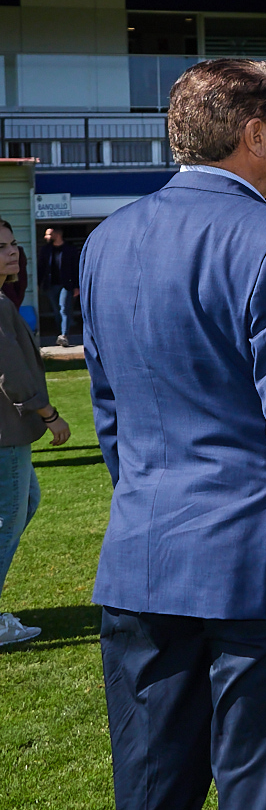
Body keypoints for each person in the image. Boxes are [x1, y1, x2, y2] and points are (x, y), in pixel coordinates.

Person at [83, 58, 266, 810]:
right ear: (253, 134)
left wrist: (150, 505)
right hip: (265, 569)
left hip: (145, 555)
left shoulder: (106, 242)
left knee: (150, 793)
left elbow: (110, 411)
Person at [0, 217, 70, 648]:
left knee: (27, 500)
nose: (12, 252)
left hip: (9, 432)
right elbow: (11, 372)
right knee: (7, 521)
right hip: (7, 432)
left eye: (11, 244)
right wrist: (48, 413)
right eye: (1, 246)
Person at [36, 226, 78, 347]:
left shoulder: (69, 249)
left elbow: (75, 268)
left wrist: (76, 286)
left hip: (66, 285)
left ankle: (64, 335)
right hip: (51, 285)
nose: (45, 237)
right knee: (56, 310)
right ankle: (60, 333)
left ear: (57, 234)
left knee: (64, 308)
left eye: (48, 234)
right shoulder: (46, 250)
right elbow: (41, 268)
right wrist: (38, 284)